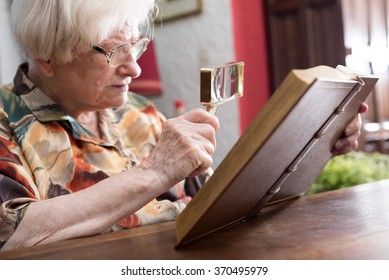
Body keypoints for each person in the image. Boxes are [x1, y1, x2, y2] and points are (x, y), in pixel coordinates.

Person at [0, 0, 365, 251]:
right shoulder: (6, 120)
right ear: (46, 55)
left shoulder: (139, 114)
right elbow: (11, 235)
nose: (135, 69)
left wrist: (315, 139)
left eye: (137, 46)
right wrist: (155, 172)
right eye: (113, 53)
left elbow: (216, 207)